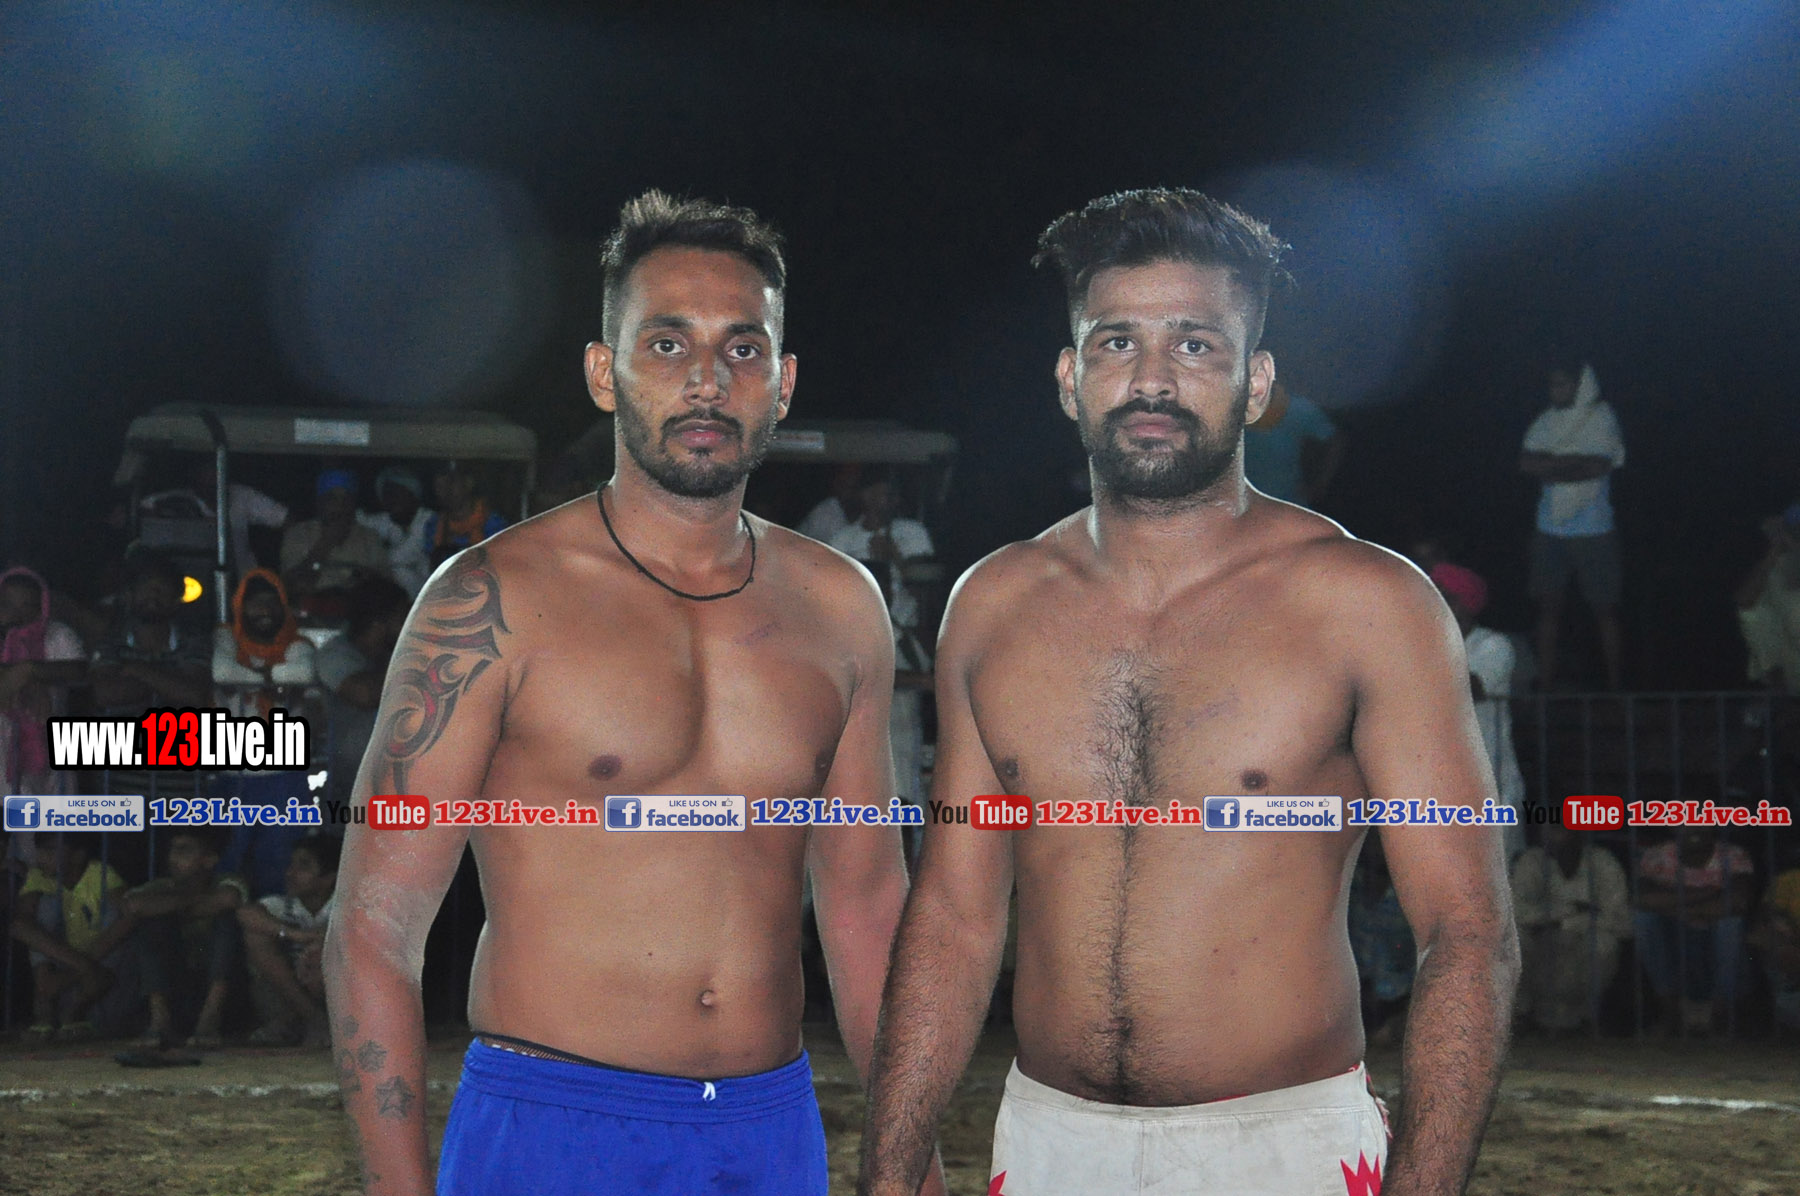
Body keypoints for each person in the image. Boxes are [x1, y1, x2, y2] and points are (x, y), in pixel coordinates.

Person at [859, 189, 1518, 1196]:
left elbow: (1466, 930)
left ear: (1257, 384)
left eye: (1197, 344)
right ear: (1070, 378)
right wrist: (890, 1173)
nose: (1153, 378)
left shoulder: (1368, 603)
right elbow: (952, 914)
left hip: (1284, 1145)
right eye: (1117, 341)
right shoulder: (991, 605)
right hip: (1049, 1144)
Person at [325, 191, 934, 1196]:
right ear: (604, 373)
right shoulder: (492, 599)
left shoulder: (840, 606)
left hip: (767, 1130)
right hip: (550, 1124)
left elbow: (868, 911)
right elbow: (373, 925)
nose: (707, 379)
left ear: (782, 384)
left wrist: (912, 1171)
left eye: (742, 349)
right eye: (667, 343)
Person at [831, 468, 937, 813]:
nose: (885, 500)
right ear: (863, 496)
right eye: (877, 492)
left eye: (890, 494)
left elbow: (926, 592)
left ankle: (902, 811)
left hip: (905, 638)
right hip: (860, 637)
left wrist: (894, 556)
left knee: (903, 744)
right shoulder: (843, 539)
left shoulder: (911, 532)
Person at [210, 569, 318, 899]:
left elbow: (303, 672)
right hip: (233, 775)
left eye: (273, 602)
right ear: (240, 606)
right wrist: (272, 678)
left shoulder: (297, 643)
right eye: (256, 603)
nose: (265, 610)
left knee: (279, 869)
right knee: (225, 864)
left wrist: (250, 676)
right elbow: (221, 671)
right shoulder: (226, 638)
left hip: (283, 777)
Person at [1519, 356, 1626, 690]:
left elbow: (1599, 466)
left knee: (1605, 611)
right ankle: (1546, 688)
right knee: (1548, 610)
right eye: (1552, 384)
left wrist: (1552, 464)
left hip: (1594, 530)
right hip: (1549, 529)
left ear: (1580, 386)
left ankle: (1616, 688)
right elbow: (1527, 463)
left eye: (1562, 384)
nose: (1555, 390)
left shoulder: (1601, 417)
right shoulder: (1546, 421)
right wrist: (1575, 463)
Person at [1430, 562, 1526, 861]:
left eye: (1447, 597)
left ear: (1467, 603)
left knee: (1494, 869)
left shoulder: (1494, 645)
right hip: (1437, 780)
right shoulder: (1423, 644)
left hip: (1488, 779)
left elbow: (1468, 687)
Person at [124, 827, 248, 1048]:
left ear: (209, 859)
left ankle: (209, 1021)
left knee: (227, 922)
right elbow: (133, 906)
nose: (173, 858)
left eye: (184, 851)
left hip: (223, 994)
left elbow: (229, 898)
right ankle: (160, 1021)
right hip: (177, 993)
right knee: (152, 925)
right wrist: (193, 902)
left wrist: (169, 906)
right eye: (173, 850)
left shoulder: (226, 881)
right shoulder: (161, 886)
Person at [9, 832, 136, 1040]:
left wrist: (71, 975)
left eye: (50, 850)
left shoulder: (100, 874)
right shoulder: (40, 876)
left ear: (78, 856)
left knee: (119, 913)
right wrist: (83, 967)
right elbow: (19, 925)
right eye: (40, 850)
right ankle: (45, 1008)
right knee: (43, 910)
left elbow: (130, 916)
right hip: (77, 976)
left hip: (105, 977)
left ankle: (70, 1011)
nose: (41, 857)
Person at [1509, 823, 1631, 1035]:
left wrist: (1566, 923)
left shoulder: (1603, 862)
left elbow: (1622, 920)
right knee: (1514, 940)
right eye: (1545, 829)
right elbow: (1515, 912)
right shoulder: (1531, 861)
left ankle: (1586, 1018)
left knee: (1604, 944)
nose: (1549, 835)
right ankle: (1522, 1014)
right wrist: (1570, 911)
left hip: (1582, 947)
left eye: (1557, 828)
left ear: (1579, 832)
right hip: (1542, 945)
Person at [1633, 826, 1755, 1035]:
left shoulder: (1733, 855)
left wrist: (1675, 904)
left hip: (1717, 947)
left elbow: (1737, 902)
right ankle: (1671, 1012)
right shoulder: (1657, 855)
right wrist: (1709, 893)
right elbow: (1642, 900)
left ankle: (1719, 1015)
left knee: (1730, 924)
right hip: (1675, 942)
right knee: (1643, 920)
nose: (1694, 825)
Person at [314, 577, 411, 808]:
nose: (409, 626)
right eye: (402, 618)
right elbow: (364, 694)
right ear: (378, 623)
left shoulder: (391, 656)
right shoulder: (335, 654)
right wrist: (409, 654)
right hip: (349, 786)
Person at [239, 834, 338, 1046]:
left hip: (336, 999)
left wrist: (320, 943)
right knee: (256, 935)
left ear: (328, 878)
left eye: (304, 866)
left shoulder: (343, 906)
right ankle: (312, 1019)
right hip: (288, 998)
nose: (290, 873)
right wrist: (295, 934)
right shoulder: (284, 905)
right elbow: (245, 914)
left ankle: (303, 1024)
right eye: (291, 865)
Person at [89, 551, 213, 715]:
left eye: (162, 588)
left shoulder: (194, 641)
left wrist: (138, 670)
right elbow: (105, 694)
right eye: (145, 586)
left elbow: (194, 695)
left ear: (176, 601)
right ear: (129, 596)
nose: (153, 594)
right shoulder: (111, 641)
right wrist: (169, 683)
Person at [0, 567, 87, 798]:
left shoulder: (57, 635)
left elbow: (79, 670)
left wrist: (30, 671)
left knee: (55, 812)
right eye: (7, 605)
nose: (17, 614)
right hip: (3, 750)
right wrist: (27, 680)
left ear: (42, 607)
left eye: (27, 606)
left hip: (51, 745)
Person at [281, 469, 391, 599]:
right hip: (313, 607)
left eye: (346, 499)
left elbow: (385, 587)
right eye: (332, 499)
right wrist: (325, 543)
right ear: (319, 503)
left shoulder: (369, 537)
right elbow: (294, 588)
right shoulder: (299, 534)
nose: (340, 506)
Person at [1242, 377, 1344, 507]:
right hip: (1239, 507)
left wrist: (1319, 485)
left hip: (1287, 503)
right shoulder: (1229, 410)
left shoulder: (1298, 409)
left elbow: (1335, 440)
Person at [1735, 501, 1800, 695]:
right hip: (1792, 665)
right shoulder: (1776, 565)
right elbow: (1744, 601)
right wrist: (1776, 548)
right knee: (1752, 614)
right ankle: (1780, 693)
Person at [359, 466, 435, 597]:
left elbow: (397, 558)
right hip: (399, 598)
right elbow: (359, 519)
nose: (392, 500)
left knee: (397, 571)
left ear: (414, 495)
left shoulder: (428, 520)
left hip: (430, 593)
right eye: (387, 495)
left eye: (398, 493)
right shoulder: (386, 520)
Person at [423, 461, 509, 569]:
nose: (446, 490)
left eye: (451, 482)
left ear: (468, 483)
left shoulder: (494, 523)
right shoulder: (433, 525)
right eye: (440, 486)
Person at [797, 463, 865, 543]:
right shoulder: (824, 512)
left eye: (856, 474)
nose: (852, 477)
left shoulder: (866, 513)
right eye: (845, 484)